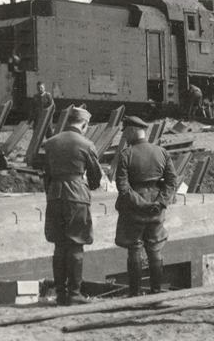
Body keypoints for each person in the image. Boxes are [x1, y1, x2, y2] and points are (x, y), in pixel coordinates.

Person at [43, 107, 103, 305]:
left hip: (54, 196)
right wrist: (87, 186)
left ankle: (61, 294)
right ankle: (75, 293)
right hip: (77, 196)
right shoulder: (86, 144)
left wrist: (51, 193)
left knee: (59, 245)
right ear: (84, 124)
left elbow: (47, 175)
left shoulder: (51, 143)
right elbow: (96, 177)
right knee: (76, 244)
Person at [115, 116, 179, 296]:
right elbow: (172, 181)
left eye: (126, 132)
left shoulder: (126, 154)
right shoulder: (161, 152)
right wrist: (161, 202)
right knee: (155, 248)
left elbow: (123, 186)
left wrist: (140, 204)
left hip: (133, 208)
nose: (124, 136)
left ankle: (135, 295)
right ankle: (156, 293)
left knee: (134, 248)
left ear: (134, 131)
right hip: (156, 209)